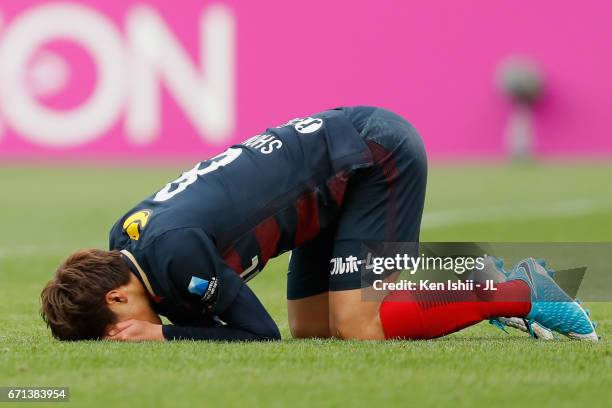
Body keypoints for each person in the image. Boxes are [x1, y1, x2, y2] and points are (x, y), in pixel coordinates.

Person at [40, 106, 598, 342]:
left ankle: (516, 290)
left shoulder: (174, 254)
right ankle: (472, 271)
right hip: (329, 180)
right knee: (318, 331)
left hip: (370, 157)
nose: (121, 338)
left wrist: (162, 333)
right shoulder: (129, 241)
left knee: (360, 324)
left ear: (117, 297)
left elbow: (258, 336)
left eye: (112, 330)